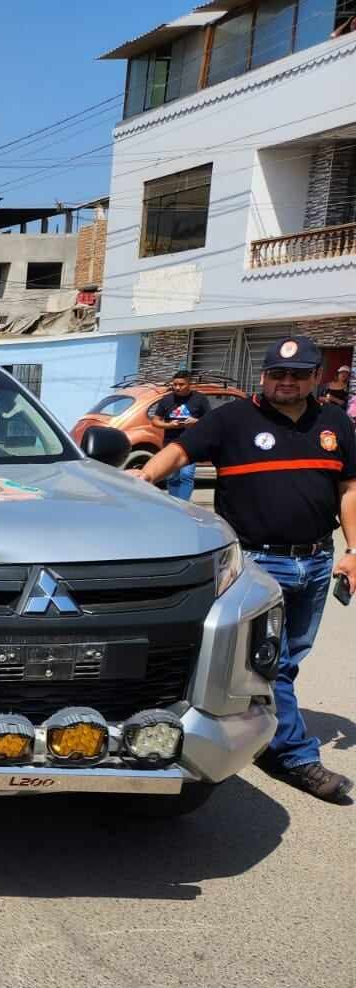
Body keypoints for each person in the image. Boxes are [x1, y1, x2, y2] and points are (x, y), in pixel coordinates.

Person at [138, 333, 356, 804]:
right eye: (277, 373)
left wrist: (353, 551)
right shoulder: (233, 419)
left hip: (316, 561)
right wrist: (144, 478)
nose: (286, 381)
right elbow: (181, 451)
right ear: (263, 375)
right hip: (257, 562)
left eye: (297, 375)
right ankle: (294, 756)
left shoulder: (334, 423)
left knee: (287, 658)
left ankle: (257, 730)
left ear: (316, 378)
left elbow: (348, 490)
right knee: (271, 661)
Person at [148, 368, 208, 502]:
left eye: (181, 384)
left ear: (189, 384)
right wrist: (170, 425)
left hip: (191, 443)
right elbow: (155, 421)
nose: (177, 387)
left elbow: (209, 420)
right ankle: (174, 504)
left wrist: (195, 421)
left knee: (186, 475)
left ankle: (183, 505)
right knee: (172, 476)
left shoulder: (200, 399)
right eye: (175, 384)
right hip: (170, 443)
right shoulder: (166, 400)